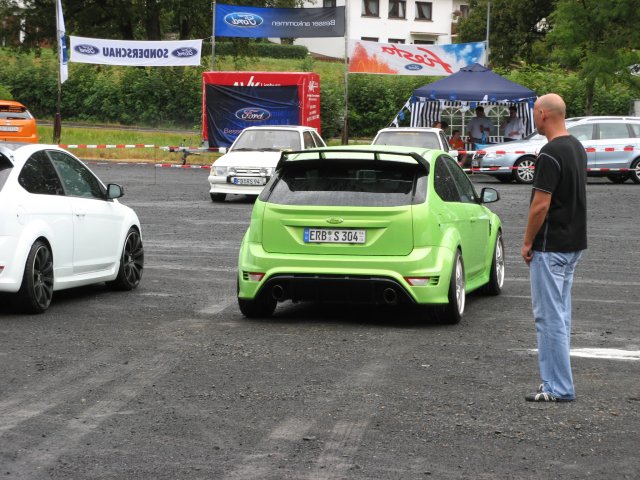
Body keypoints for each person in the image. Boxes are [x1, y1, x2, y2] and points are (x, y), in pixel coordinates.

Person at [520, 93, 587, 403]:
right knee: (560, 315)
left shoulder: (549, 153)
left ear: (544, 114)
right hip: (572, 243)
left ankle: (558, 387)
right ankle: (559, 384)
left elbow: (540, 204)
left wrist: (527, 241)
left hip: (550, 246)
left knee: (548, 318)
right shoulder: (576, 147)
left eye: (535, 112)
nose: (534, 118)